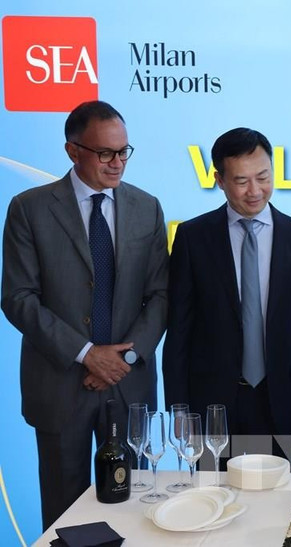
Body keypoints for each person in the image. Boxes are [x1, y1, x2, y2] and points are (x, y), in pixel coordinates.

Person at [1, 100, 168, 530]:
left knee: (136, 513)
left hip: (128, 386)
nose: (117, 164)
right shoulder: (29, 208)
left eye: (124, 152)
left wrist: (121, 360)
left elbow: (161, 295)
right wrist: (87, 354)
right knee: (65, 518)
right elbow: (18, 297)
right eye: (105, 153)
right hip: (60, 386)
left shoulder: (147, 207)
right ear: (73, 151)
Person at [163, 128, 291, 465]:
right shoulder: (193, 238)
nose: (255, 191)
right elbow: (179, 328)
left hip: (280, 399)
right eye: (241, 181)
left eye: (263, 177)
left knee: (274, 506)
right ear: (219, 180)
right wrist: (178, 406)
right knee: (212, 501)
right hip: (210, 402)